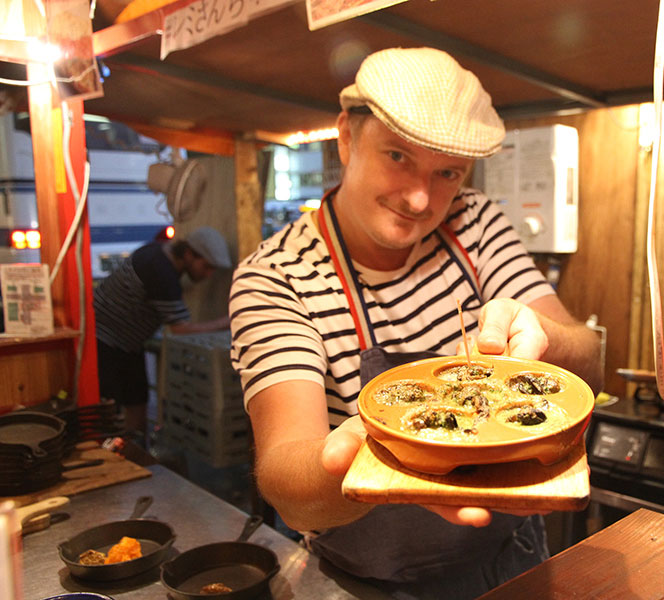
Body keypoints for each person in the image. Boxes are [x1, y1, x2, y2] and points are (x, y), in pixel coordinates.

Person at [229, 47, 604, 599]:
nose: (420, 198)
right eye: (398, 157)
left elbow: (588, 359)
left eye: (447, 172)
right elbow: (287, 477)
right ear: (347, 137)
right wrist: (382, 456)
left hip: (515, 559)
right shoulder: (276, 278)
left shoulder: (474, 223)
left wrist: (545, 337)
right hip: (369, 584)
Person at [94, 225, 232, 439]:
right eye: (206, 267)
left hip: (125, 343)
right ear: (188, 254)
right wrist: (228, 321)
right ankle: (122, 455)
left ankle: (137, 452)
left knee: (137, 400)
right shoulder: (162, 273)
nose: (208, 274)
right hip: (107, 342)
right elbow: (180, 328)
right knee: (110, 409)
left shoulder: (154, 251)